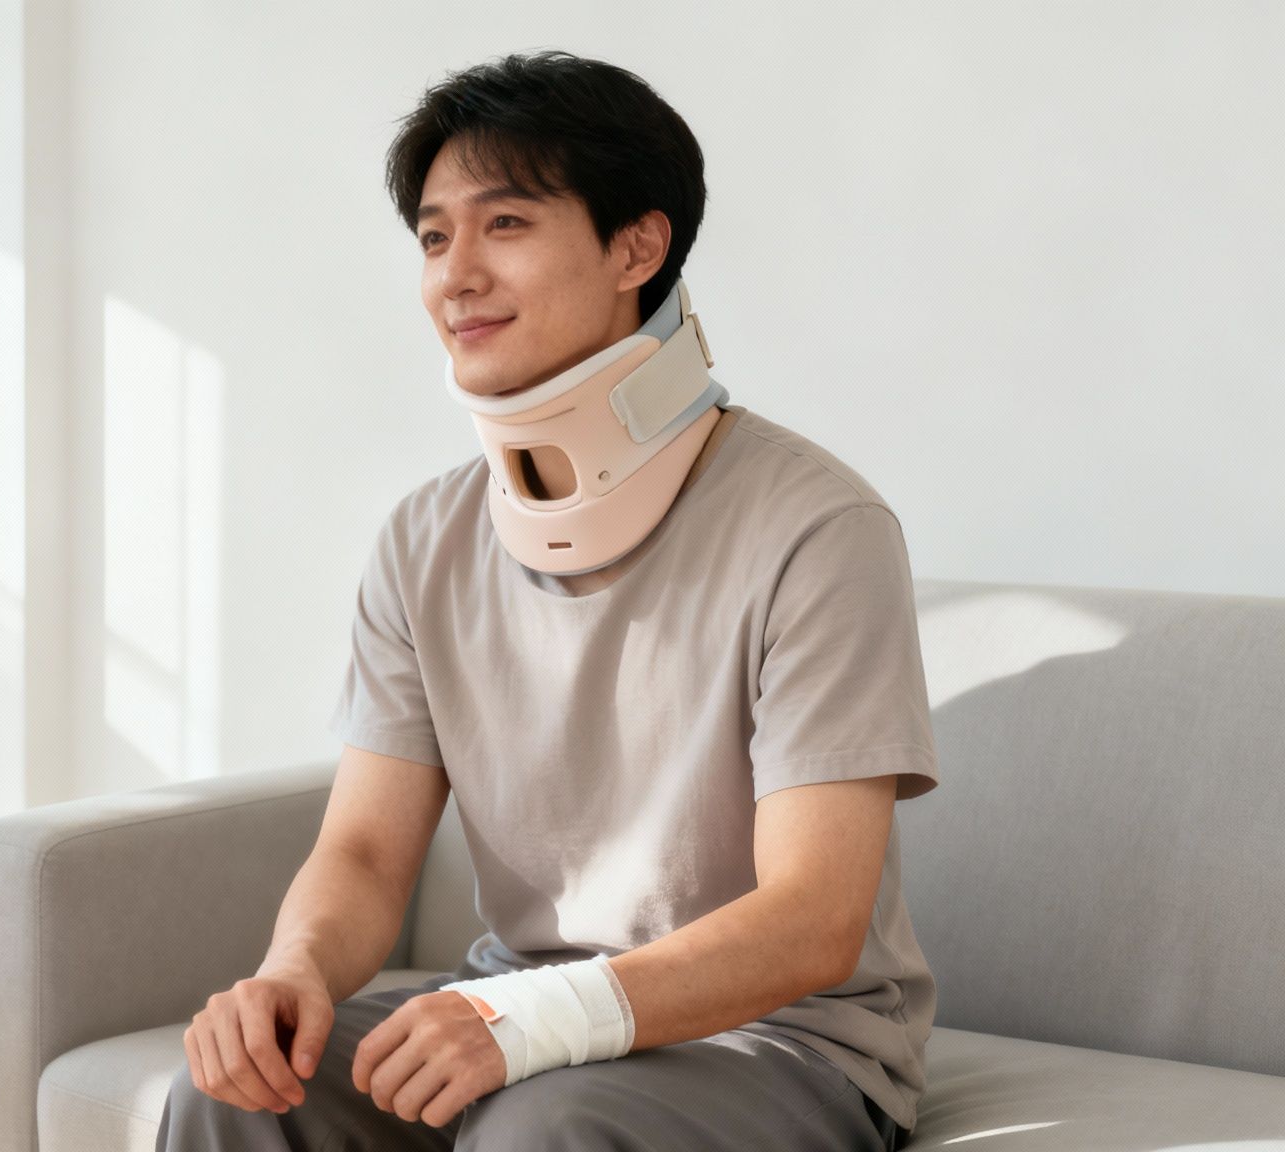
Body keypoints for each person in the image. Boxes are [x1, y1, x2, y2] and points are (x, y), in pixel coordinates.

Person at [158, 49, 935, 1152]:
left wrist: (529, 1023)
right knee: (229, 1094)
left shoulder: (814, 527)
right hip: (511, 1008)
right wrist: (287, 976)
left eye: (504, 225)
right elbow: (367, 856)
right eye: (433, 237)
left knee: (544, 1127)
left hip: (774, 1040)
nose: (452, 277)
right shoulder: (422, 538)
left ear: (636, 244)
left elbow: (812, 922)